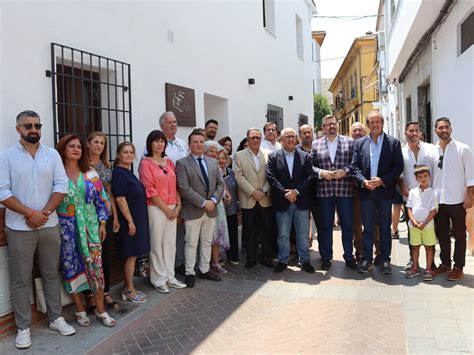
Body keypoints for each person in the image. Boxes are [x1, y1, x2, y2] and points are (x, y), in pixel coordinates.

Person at [0, 110, 76, 349]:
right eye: (28, 125)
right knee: (20, 279)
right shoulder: (7, 157)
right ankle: (23, 327)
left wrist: (43, 213)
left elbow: (61, 185)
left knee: (51, 272)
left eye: (37, 125)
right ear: (18, 129)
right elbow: (3, 191)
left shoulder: (51, 154)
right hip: (18, 227)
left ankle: (56, 318)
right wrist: (29, 214)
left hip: (49, 224)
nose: (33, 129)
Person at [56, 134, 116, 328]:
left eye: (79, 147)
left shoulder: (90, 172)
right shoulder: (56, 174)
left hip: (91, 229)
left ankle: (101, 311)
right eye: (71, 146)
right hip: (67, 231)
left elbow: (102, 199)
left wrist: (102, 223)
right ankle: (80, 309)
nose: (76, 149)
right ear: (63, 149)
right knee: (71, 268)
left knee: (96, 270)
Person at [351, 111, 403, 274]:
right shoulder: (359, 144)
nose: (375, 125)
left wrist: (382, 180)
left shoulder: (393, 143)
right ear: (368, 125)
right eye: (371, 122)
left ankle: (385, 259)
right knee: (368, 227)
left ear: (382, 123)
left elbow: (398, 167)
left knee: (385, 227)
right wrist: (364, 181)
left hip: (385, 192)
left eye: (377, 122)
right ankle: (367, 259)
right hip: (366, 192)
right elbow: (354, 167)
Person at [176, 129, 225, 288]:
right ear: (189, 145)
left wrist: (213, 200)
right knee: (191, 243)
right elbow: (184, 188)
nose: (198, 144)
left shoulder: (213, 162)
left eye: (201, 141)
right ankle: (190, 272)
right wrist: (203, 202)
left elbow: (220, 184)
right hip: (193, 210)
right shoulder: (182, 163)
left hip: (211, 209)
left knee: (206, 242)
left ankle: (204, 269)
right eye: (195, 142)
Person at [139, 130, 186, 293]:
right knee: (157, 244)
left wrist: (178, 205)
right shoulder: (145, 163)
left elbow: (176, 186)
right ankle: (158, 279)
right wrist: (166, 209)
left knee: (170, 244)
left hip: (173, 207)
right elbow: (150, 190)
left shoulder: (169, 162)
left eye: (162, 141)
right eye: (156, 141)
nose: (159, 144)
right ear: (150, 144)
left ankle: (170, 277)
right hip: (156, 208)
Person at [311, 115, 356, 271]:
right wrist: (321, 173)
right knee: (325, 227)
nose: (331, 126)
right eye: (328, 124)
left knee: (347, 226)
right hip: (325, 192)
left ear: (337, 125)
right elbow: (310, 167)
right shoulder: (315, 145)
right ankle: (326, 257)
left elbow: (355, 164)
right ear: (323, 127)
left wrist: (345, 171)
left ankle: (349, 257)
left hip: (345, 191)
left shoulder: (349, 142)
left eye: (333, 123)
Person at [267, 127, 315, 273]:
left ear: (296, 139)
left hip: (301, 201)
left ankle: (304, 260)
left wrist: (296, 191)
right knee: (283, 234)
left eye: (292, 136)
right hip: (282, 202)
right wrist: (285, 193)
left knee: (302, 233)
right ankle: (283, 260)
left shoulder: (305, 156)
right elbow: (271, 177)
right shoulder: (273, 156)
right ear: (281, 139)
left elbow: (310, 176)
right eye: (287, 136)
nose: (290, 139)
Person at [432, 117, 474, 281]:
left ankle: (458, 266)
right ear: (436, 130)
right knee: (441, 234)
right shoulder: (431, 151)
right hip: (438, 200)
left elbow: (471, 176)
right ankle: (445, 263)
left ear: (451, 129)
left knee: (459, 234)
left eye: (446, 127)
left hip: (458, 200)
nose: (444, 130)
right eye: (440, 128)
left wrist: (470, 197)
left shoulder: (463, 149)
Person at [112, 142, 150, 302]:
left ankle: (130, 287)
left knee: (133, 254)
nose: (128, 155)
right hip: (129, 221)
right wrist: (130, 222)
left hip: (137, 219)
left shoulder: (129, 172)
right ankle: (128, 289)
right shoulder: (119, 173)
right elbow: (120, 199)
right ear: (118, 155)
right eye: (125, 152)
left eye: (131, 152)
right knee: (130, 254)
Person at [85, 132, 120, 312]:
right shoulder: (82, 165)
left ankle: (105, 292)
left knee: (105, 255)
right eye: (96, 142)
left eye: (102, 143)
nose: (99, 145)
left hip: (105, 215)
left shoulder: (106, 165)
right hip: (87, 216)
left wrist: (113, 214)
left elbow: (109, 192)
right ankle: (91, 295)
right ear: (88, 144)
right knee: (90, 256)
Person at [234, 128, 274, 268]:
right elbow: (239, 176)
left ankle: (266, 257)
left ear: (261, 139)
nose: (255, 140)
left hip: (265, 198)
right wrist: (253, 192)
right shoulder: (239, 155)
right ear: (248, 139)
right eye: (252, 137)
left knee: (266, 230)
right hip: (248, 198)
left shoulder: (269, 155)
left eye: (258, 137)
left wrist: (263, 190)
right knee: (249, 230)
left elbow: (272, 176)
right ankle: (251, 258)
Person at [400, 121, 437, 270]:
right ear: (405, 133)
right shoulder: (401, 152)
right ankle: (412, 260)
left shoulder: (430, 149)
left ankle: (431, 262)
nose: (414, 133)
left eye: (417, 130)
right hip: (410, 198)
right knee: (412, 230)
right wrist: (402, 186)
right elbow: (399, 173)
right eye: (411, 130)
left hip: (429, 198)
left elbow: (436, 170)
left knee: (430, 230)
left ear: (420, 132)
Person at [156, 111, 189, 276]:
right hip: (165, 196)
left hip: (183, 193)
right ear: (162, 126)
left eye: (175, 122)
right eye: (169, 122)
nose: (173, 125)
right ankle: (169, 266)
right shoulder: (157, 145)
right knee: (167, 231)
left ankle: (180, 262)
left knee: (181, 228)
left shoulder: (182, 143)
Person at [405, 165, 438, 281]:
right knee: (415, 247)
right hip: (414, 227)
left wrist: (424, 222)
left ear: (429, 176)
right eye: (420, 177)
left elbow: (434, 210)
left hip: (427, 226)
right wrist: (413, 221)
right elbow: (408, 208)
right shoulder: (413, 192)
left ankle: (428, 269)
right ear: (416, 179)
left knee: (429, 247)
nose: (423, 179)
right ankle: (414, 268)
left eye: (425, 176)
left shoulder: (433, 193)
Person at [203, 141, 230, 273]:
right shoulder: (201, 165)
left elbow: (222, 183)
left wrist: (226, 193)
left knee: (217, 235)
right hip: (205, 204)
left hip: (217, 204)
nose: (213, 154)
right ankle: (204, 264)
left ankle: (215, 262)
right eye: (210, 151)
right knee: (207, 236)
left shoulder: (217, 166)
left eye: (215, 151)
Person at [219, 149, 239, 265]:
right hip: (218, 210)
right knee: (220, 233)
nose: (221, 160)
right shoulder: (214, 173)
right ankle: (220, 257)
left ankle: (233, 256)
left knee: (232, 233)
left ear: (227, 160)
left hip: (231, 208)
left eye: (224, 158)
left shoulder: (232, 172)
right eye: (219, 158)